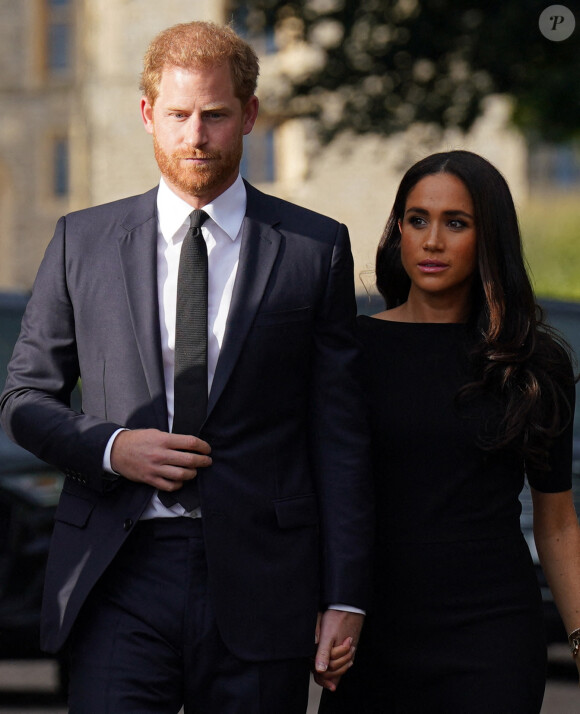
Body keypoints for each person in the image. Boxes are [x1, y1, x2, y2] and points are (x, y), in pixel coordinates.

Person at [0, 21, 373, 713]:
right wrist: (113, 447)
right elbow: (23, 398)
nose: (195, 136)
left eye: (215, 115)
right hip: (117, 570)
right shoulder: (82, 242)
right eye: (177, 115)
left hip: (265, 576)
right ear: (147, 114)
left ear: (250, 115)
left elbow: (341, 437)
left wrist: (345, 595)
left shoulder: (313, 250)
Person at [317, 150, 580, 712]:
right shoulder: (350, 351)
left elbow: (556, 524)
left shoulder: (533, 363)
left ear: (489, 239)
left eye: (455, 223)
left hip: (492, 635)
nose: (432, 241)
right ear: (399, 232)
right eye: (417, 220)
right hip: (372, 632)